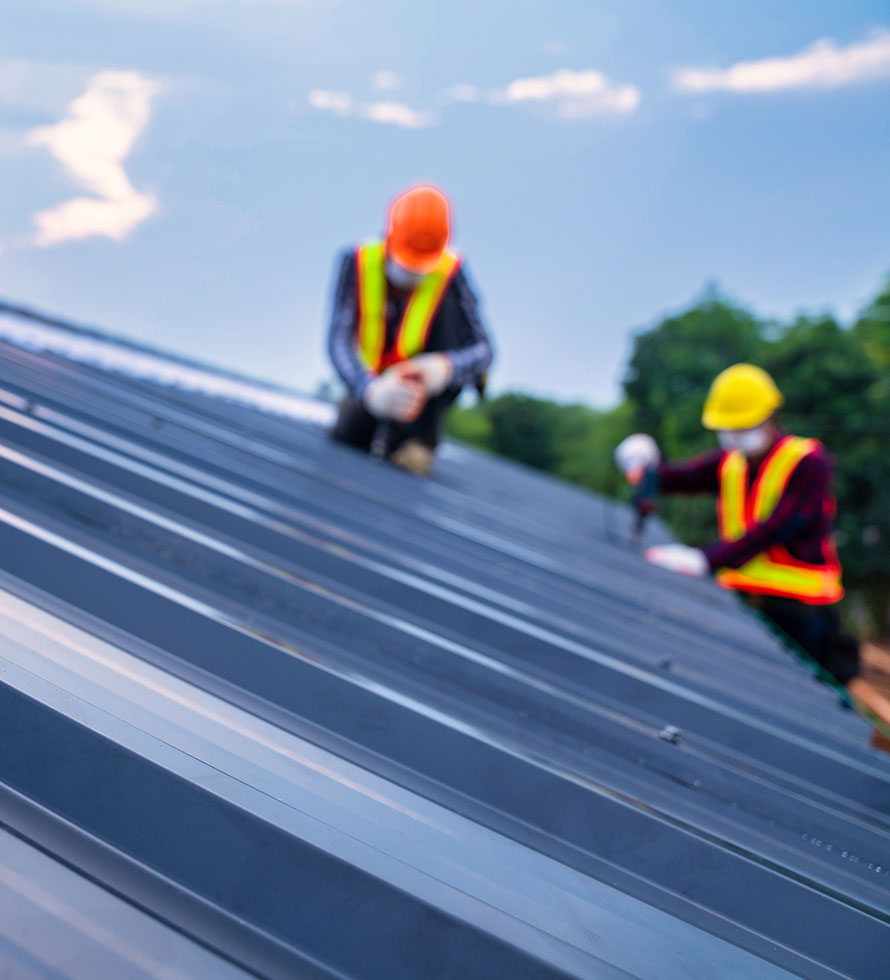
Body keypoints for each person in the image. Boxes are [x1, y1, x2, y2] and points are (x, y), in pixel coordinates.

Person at [615, 363, 860, 685]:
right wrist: (644, 466)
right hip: (744, 600)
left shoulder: (809, 462)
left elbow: (778, 527)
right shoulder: (730, 462)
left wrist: (705, 558)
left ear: (770, 417)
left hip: (798, 611)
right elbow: (679, 477)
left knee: (801, 693)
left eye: (743, 427)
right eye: (728, 428)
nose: (734, 435)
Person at [326, 184, 493, 476]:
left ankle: (418, 441)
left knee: (406, 463)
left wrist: (444, 367)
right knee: (347, 437)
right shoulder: (358, 262)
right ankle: (364, 413)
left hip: (421, 395)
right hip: (372, 383)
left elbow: (484, 351)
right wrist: (369, 390)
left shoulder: (452, 275)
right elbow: (338, 339)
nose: (413, 273)